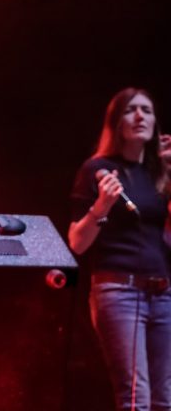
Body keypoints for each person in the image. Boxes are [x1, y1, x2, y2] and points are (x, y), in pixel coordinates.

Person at [68, 88, 171, 411]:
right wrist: (102, 205)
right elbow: (77, 243)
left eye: (147, 110)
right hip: (119, 292)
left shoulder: (158, 174)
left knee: (166, 399)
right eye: (131, 110)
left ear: (155, 123)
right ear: (116, 122)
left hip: (164, 293)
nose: (140, 116)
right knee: (135, 399)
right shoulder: (97, 169)